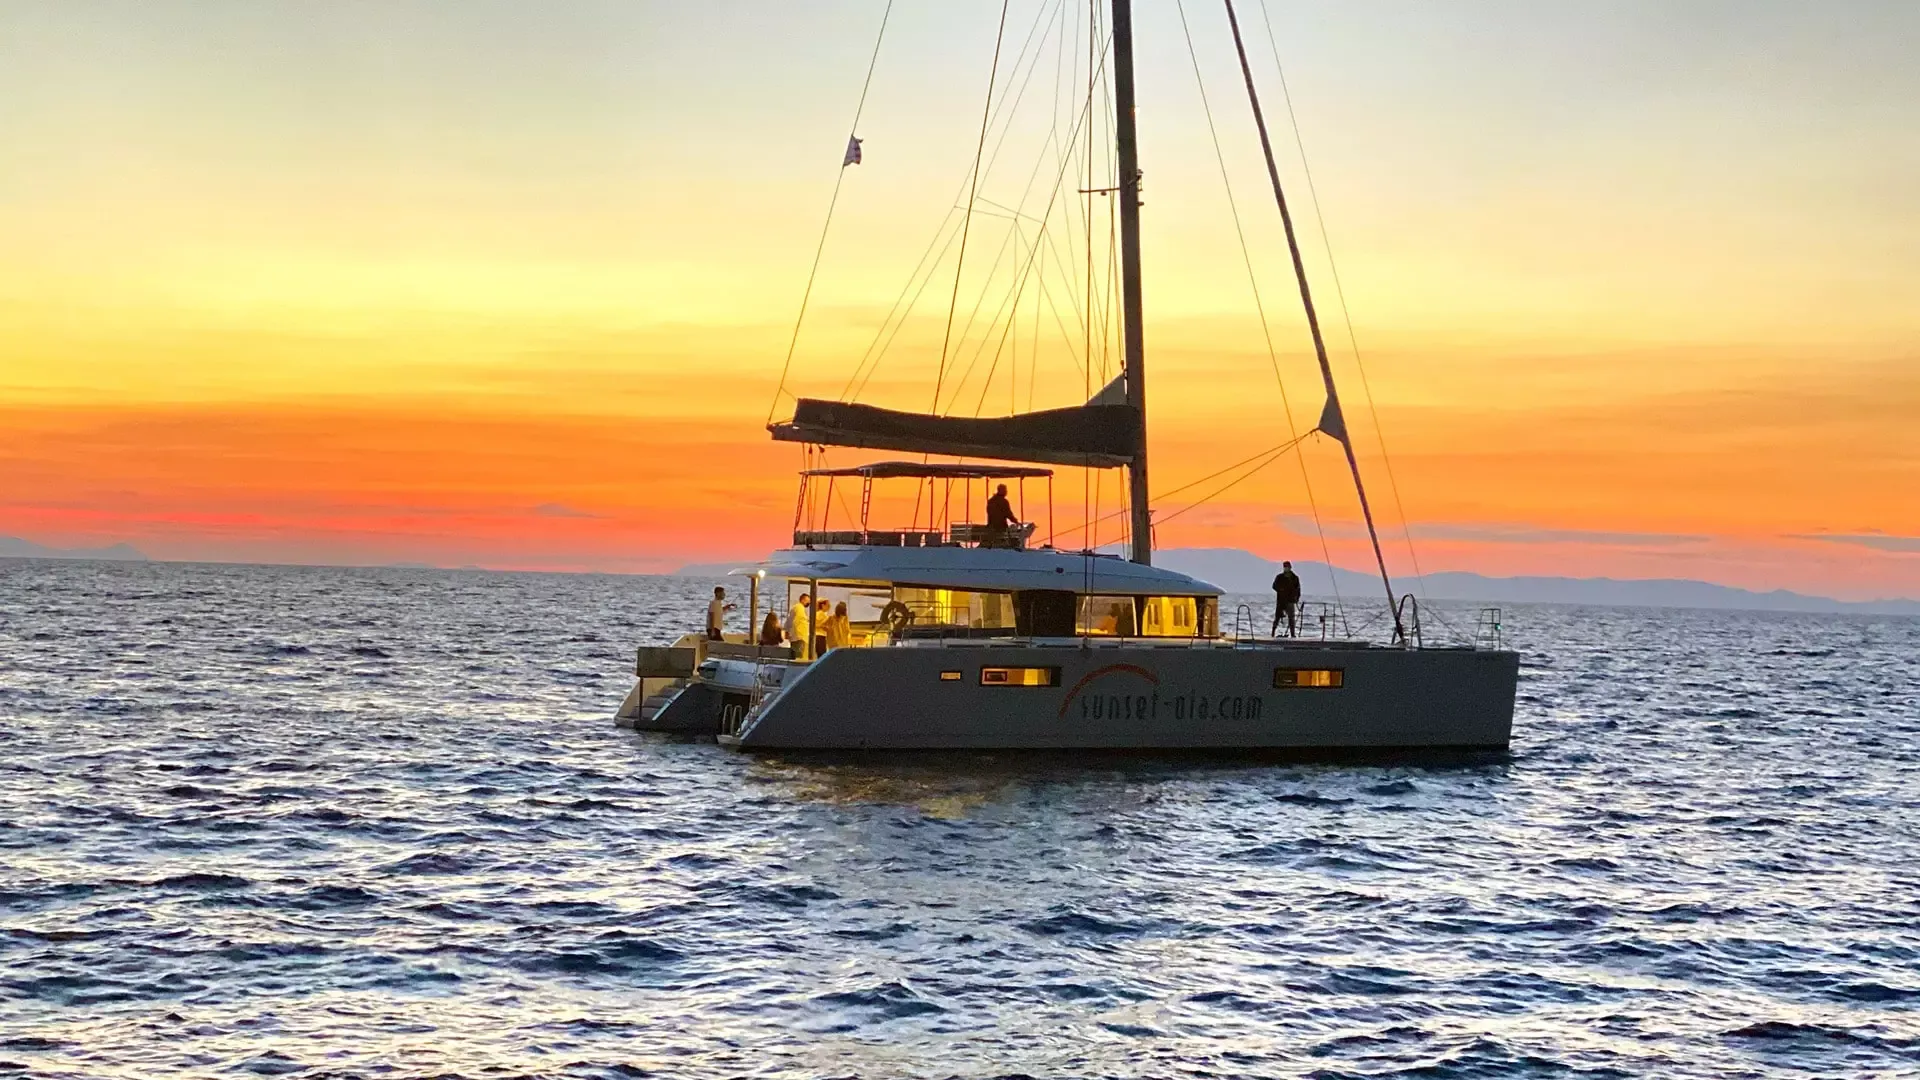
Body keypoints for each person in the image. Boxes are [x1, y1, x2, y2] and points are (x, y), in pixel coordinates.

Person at [1271, 560, 1302, 637]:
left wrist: (1297, 598)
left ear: (1290, 567)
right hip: (1281, 600)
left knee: (1291, 618)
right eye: (1285, 567)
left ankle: (1293, 634)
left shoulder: (1295, 578)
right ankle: (1273, 632)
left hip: (1290, 600)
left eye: (1287, 567)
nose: (1286, 568)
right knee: (1277, 617)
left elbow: (1298, 589)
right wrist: (1280, 590)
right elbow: (1274, 586)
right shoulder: (1279, 577)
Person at [985, 483, 1020, 547]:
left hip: (991, 526)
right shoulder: (1004, 501)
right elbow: (1008, 514)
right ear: (1001, 491)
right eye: (1005, 490)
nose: (1006, 492)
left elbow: (989, 512)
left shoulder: (990, 501)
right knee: (1011, 534)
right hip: (1000, 526)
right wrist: (1015, 521)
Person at [788, 590, 814, 660]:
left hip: (795, 636)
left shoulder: (796, 607)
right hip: (799, 637)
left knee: (794, 655)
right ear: (802, 600)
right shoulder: (799, 608)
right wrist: (801, 636)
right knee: (798, 656)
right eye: (807, 601)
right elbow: (798, 621)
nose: (808, 603)